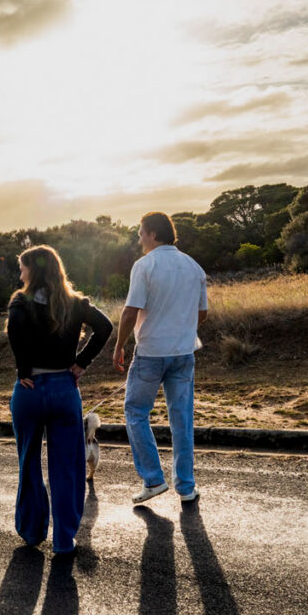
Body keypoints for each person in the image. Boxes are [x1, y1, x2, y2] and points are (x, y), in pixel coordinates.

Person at [6, 245, 113, 554]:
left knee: (29, 463)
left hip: (29, 390)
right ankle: (64, 540)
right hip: (65, 390)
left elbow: (14, 330)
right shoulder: (75, 303)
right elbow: (105, 327)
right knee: (66, 468)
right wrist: (81, 362)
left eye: (23, 267)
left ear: (34, 270)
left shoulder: (20, 301)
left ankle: (31, 532)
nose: (20, 272)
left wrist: (23, 368)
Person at [111, 212, 208, 505]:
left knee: (135, 411)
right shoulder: (194, 267)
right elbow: (202, 313)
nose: (139, 238)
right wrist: (181, 329)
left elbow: (130, 311)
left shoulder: (145, 266)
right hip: (183, 353)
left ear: (153, 234)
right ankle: (186, 487)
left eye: (141, 233)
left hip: (151, 353)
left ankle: (153, 479)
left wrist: (118, 347)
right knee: (182, 420)